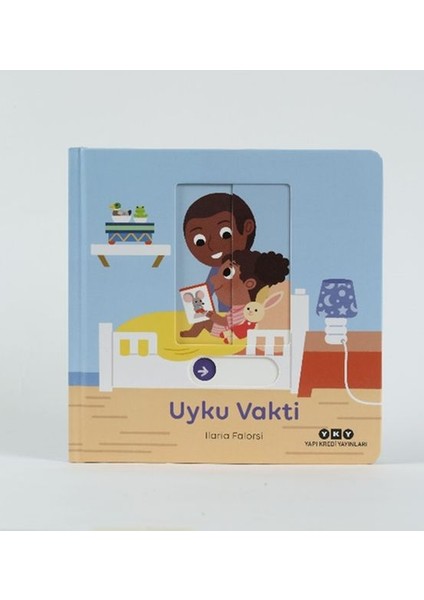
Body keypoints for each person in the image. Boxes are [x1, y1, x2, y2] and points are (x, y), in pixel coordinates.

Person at [180, 249, 289, 339]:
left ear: (249, 284)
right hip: (227, 330)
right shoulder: (241, 308)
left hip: (224, 332)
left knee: (202, 322)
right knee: (202, 322)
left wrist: (209, 314)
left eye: (227, 273)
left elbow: (225, 322)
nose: (213, 279)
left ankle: (192, 334)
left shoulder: (245, 310)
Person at [183, 193, 256, 311]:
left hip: (253, 314)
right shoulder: (217, 270)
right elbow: (206, 293)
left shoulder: (254, 265)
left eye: (226, 234)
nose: (212, 246)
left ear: (247, 228)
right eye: (200, 241)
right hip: (226, 317)